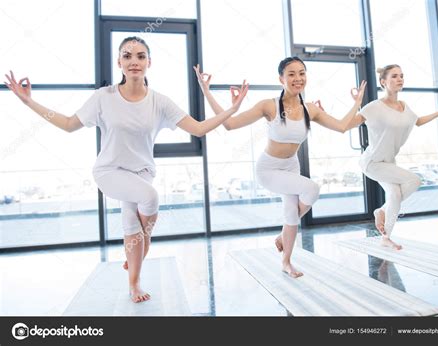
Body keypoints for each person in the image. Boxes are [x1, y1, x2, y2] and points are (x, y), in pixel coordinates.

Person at [4, 36, 248, 303]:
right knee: (150, 200)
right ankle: (144, 242)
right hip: (109, 171)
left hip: (143, 173)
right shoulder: (103, 97)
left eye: (141, 56)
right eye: (128, 56)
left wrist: (233, 109)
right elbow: (68, 124)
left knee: (132, 223)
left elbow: (199, 128)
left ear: (149, 63)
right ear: (119, 62)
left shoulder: (160, 102)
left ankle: (134, 283)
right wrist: (28, 102)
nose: (134, 61)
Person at [194, 57, 366, 277]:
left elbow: (342, 126)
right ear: (281, 79)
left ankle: (286, 261)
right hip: (269, 170)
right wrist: (206, 91)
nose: (298, 78)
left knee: (291, 215)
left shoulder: (310, 109)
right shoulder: (269, 105)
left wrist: (357, 102)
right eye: (291, 74)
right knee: (311, 189)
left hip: (291, 167)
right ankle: (284, 235)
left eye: (302, 73)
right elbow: (229, 124)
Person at [344, 64, 438, 250]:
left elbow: (418, 121)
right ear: (383, 82)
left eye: (401, 76)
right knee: (414, 180)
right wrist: (356, 103)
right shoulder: (374, 107)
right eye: (395, 76)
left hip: (388, 163)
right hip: (372, 162)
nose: (400, 79)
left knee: (395, 194)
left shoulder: (404, 107)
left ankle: (385, 235)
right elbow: (348, 124)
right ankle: (382, 211)